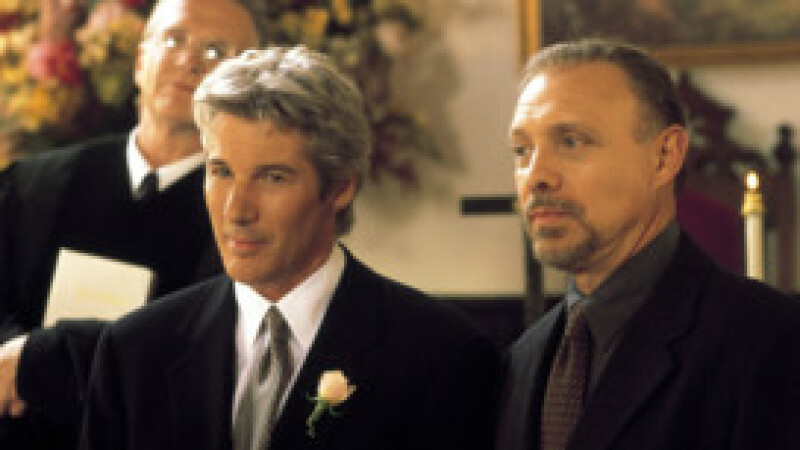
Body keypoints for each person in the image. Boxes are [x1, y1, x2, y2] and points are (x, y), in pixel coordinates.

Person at [79, 45, 500, 450]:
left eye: (272, 178)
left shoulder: (440, 357)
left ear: (340, 188)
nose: (236, 210)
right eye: (221, 172)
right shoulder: (133, 353)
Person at [494, 38, 800, 450]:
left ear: (664, 156)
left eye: (571, 141)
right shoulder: (522, 360)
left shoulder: (771, 343)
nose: (536, 176)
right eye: (522, 150)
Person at [0, 0, 261, 447]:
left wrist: (44, 360)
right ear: (141, 61)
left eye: (216, 51)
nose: (189, 60)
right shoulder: (36, 183)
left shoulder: (248, 219)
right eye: (174, 39)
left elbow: (216, 360)